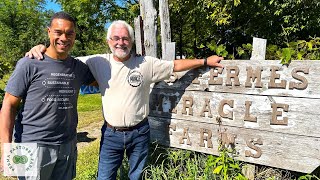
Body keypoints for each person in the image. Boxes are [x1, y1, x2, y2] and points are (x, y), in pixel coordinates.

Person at [26, 20, 224, 180]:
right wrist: (41, 48)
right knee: (104, 176)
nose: (121, 42)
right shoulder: (97, 61)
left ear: (131, 41)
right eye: (116, 38)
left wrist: (205, 61)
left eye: (125, 38)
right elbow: (61, 55)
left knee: (136, 175)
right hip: (111, 134)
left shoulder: (146, 64)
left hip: (140, 131)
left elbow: (174, 65)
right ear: (108, 41)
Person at [0, 11, 95, 180]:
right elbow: (8, 105)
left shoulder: (78, 68)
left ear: (74, 36)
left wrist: (131, 59)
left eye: (69, 33)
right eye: (58, 32)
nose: (64, 38)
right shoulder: (30, 63)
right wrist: (7, 150)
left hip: (67, 144)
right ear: (49, 32)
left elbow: (107, 76)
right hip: (33, 145)